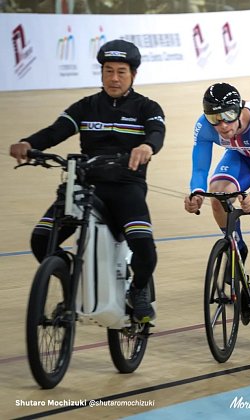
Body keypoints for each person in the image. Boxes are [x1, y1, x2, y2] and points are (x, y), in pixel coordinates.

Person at [9, 39, 165, 323]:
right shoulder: (87, 106)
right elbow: (56, 131)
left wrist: (147, 147)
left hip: (126, 187)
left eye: (121, 71)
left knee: (145, 248)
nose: (114, 78)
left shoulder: (147, 107)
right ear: (102, 72)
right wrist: (28, 142)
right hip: (84, 186)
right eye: (108, 71)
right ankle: (69, 281)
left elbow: (156, 132)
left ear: (133, 75)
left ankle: (139, 291)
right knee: (41, 240)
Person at [183, 82, 250, 331]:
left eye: (229, 116)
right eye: (214, 119)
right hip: (240, 156)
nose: (222, 125)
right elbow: (200, 170)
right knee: (217, 193)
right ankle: (236, 244)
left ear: (239, 108)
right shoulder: (204, 127)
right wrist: (196, 192)